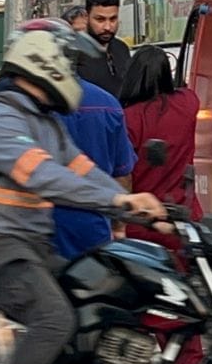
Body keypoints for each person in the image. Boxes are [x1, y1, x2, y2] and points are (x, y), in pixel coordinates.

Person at [0, 22, 166, 364]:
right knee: (53, 319)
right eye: (67, 60)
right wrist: (118, 203)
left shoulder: (47, 123)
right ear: (43, 60)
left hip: (28, 246)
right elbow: (44, 175)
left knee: (93, 297)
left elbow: (83, 171)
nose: (72, 72)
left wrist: (136, 203)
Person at [33, 18, 136, 261]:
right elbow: (122, 175)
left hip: (41, 229)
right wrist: (119, 226)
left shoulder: (30, 106)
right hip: (93, 227)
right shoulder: (108, 104)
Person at [119, 45, 202, 252]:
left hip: (142, 221)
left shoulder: (127, 118)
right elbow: (187, 90)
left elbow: (124, 175)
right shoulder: (187, 103)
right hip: (184, 216)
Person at [76, 0, 131, 96]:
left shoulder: (122, 48)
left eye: (113, 19)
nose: (108, 27)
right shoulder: (73, 51)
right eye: (100, 20)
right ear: (87, 17)